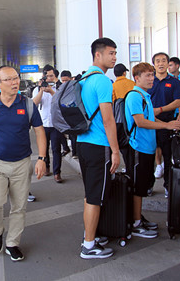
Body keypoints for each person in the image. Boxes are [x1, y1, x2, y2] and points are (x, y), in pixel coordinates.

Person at [0, 66, 47, 262]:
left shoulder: (28, 104)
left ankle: (12, 243)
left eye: (16, 78)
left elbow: (40, 131)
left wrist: (41, 158)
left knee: (19, 207)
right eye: (9, 80)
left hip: (22, 164)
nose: (15, 82)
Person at [123, 63, 180, 239]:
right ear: (137, 78)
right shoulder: (134, 96)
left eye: (152, 75)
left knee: (142, 186)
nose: (151, 79)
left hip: (147, 148)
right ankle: (135, 224)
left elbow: (150, 117)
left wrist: (169, 123)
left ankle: (138, 218)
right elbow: (141, 122)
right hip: (137, 148)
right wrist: (166, 125)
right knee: (137, 187)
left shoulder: (145, 96)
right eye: (147, 75)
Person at [77, 37, 120, 259]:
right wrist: (115, 150)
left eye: (115, 53)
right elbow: (108, 119)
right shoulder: (103, 81)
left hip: (83, 143)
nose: (114, 57)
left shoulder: (84, 77)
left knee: (90, 193)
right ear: (98, 55)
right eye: (111, 53)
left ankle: (90, 234)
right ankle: (89, 245)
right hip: (99, 145)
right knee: (95, 197)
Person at [148, 53, 180, 198]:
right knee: (148, 156)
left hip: (167, 123)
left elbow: (178, 102)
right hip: (149, 123)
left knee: (168, 156)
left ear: (168, 64)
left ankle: (168, 186)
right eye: (158, 61)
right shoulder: (149, 80)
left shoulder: (174, 82)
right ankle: (148, 185)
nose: (161, 63)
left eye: (163, 61)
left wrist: (160, 110)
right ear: (154, 64)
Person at [32, 65, 64, 183]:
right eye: (47, 76)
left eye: (51, 76)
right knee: (43, 149)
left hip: (55, 124)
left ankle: (57, 173)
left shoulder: (58, 88)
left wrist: (50, 91)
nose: (49, 78)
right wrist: (41, 90)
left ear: (55, 76)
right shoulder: (37, 89)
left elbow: (61, 102)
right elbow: (34, 103)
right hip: (42, 124)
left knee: (56, 149)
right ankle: (47, 167)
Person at [60, 70, 78, 159]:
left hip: (75, 116)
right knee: (71, 136)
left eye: (66, 80)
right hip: (66, 117)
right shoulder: (60, 90)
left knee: (74, 136)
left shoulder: (75, 88)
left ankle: (75, 152)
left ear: (71, 79)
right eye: (62, 81)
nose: (64, 83)